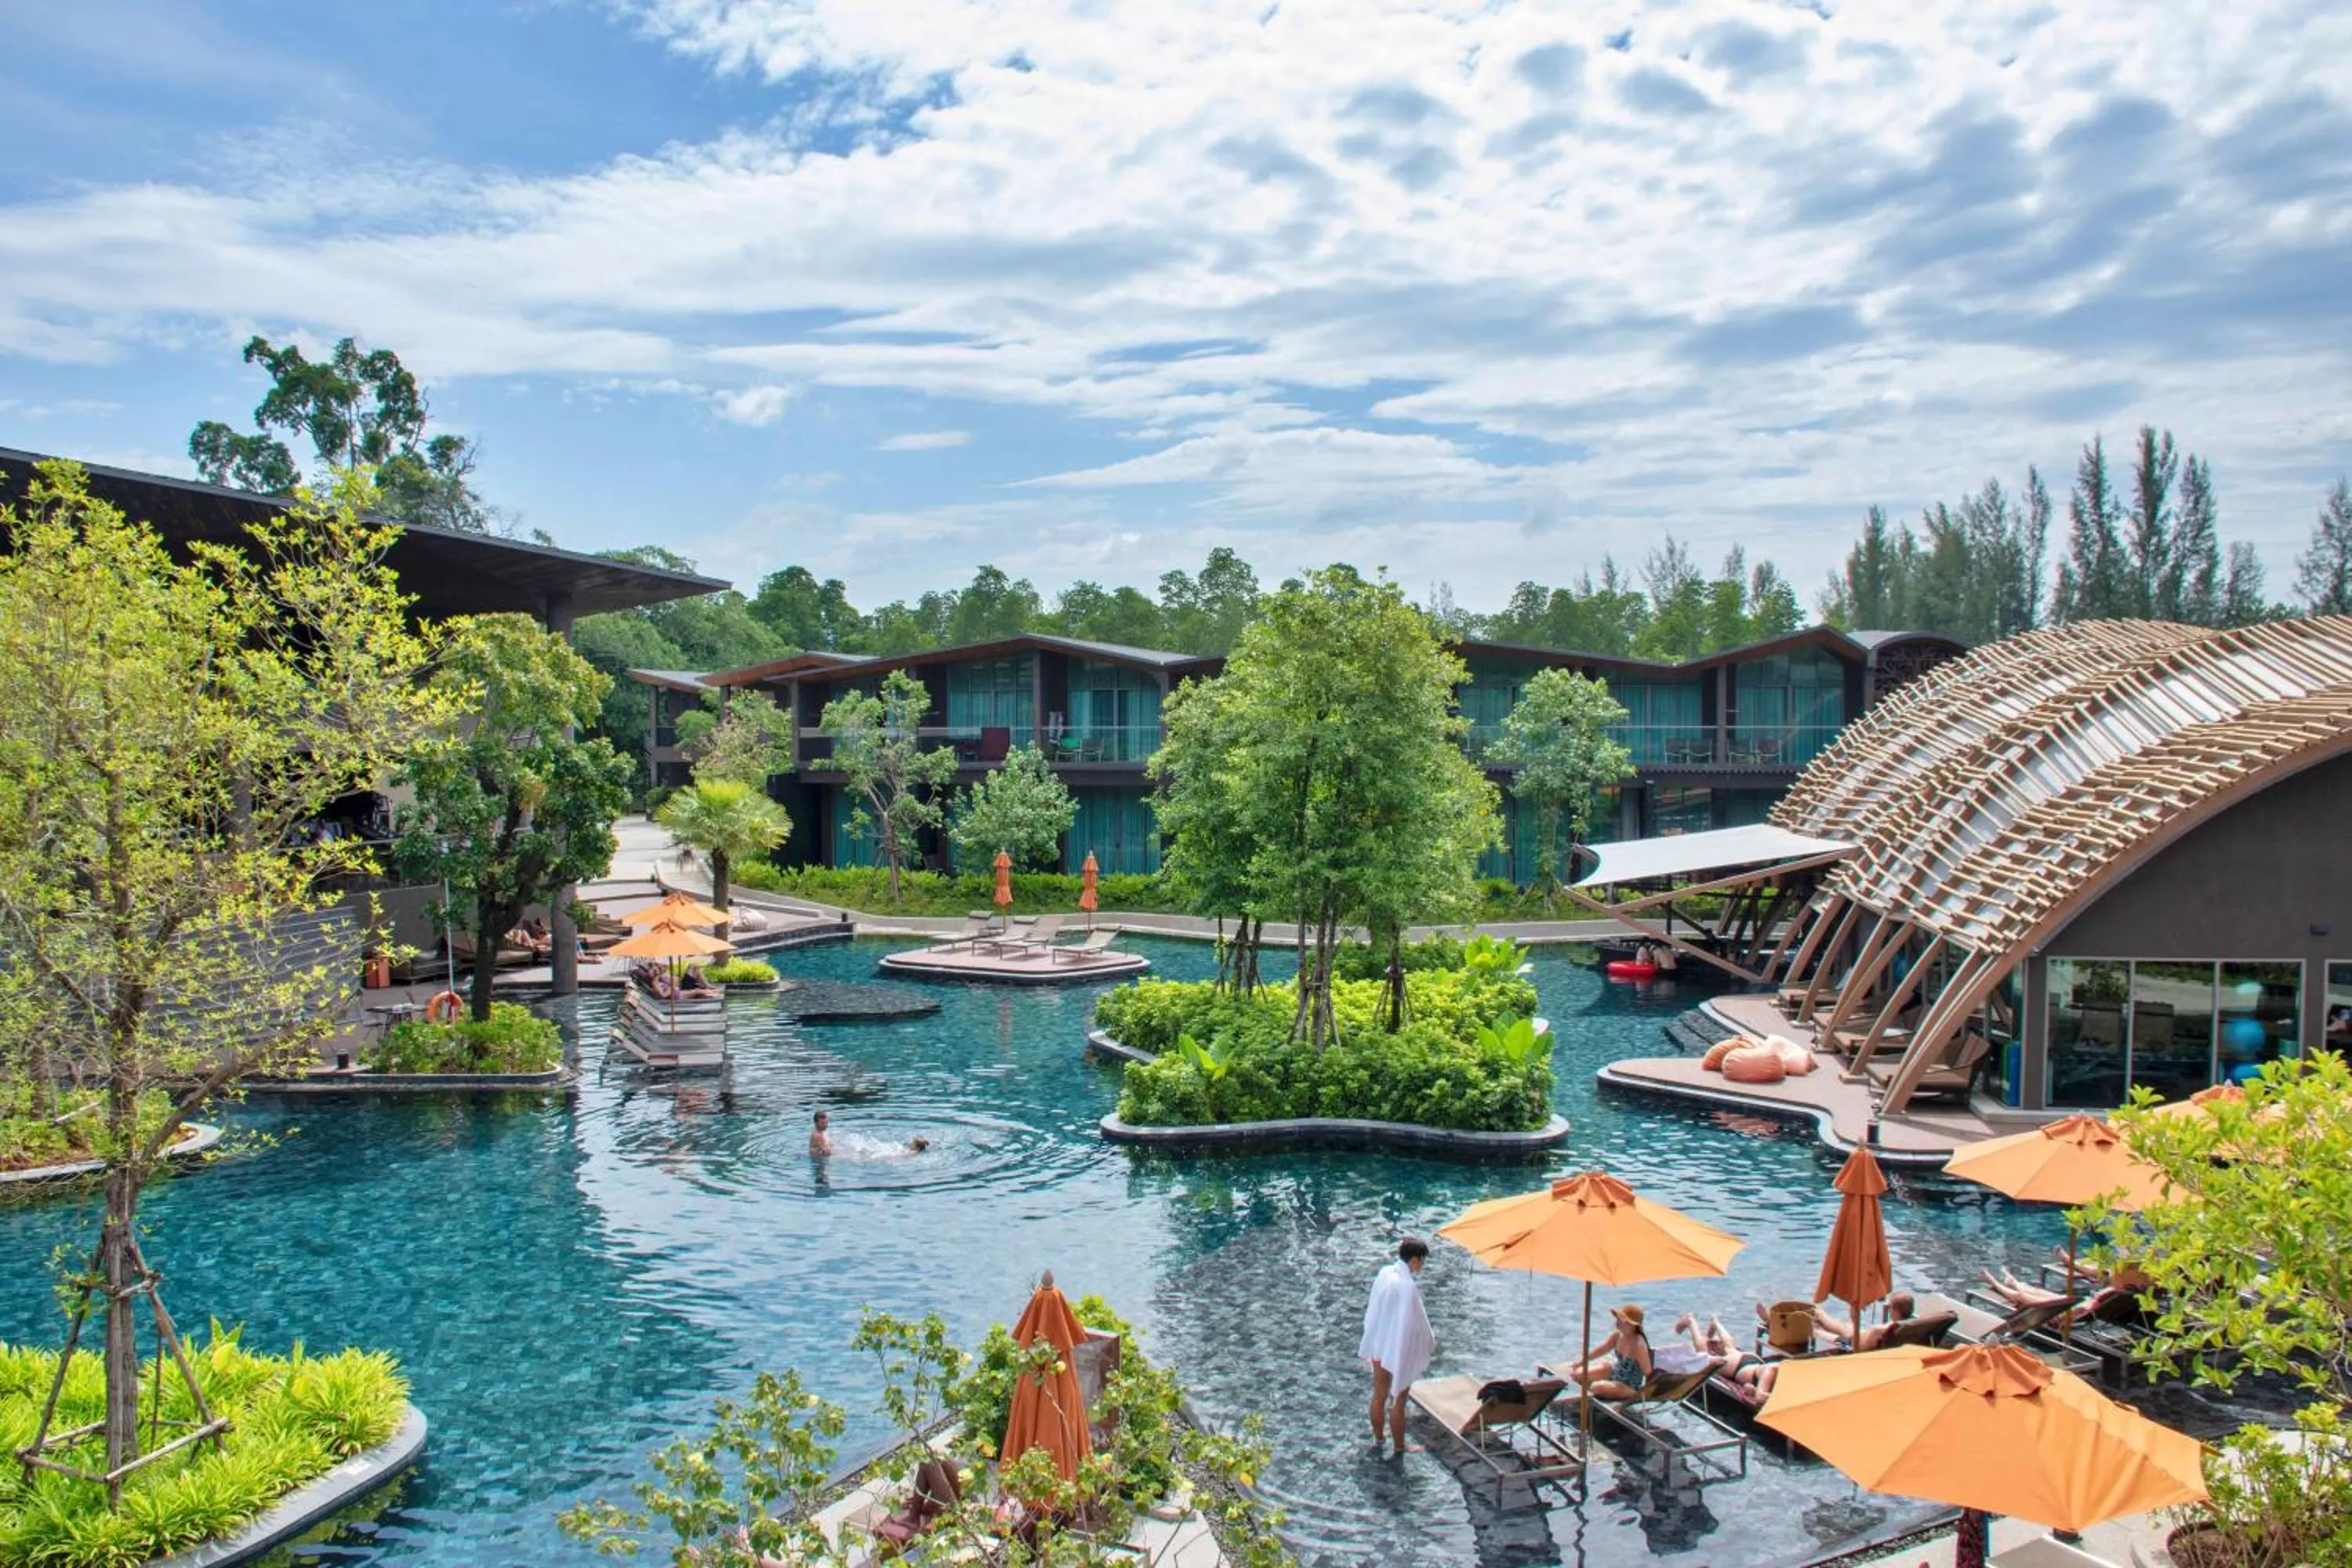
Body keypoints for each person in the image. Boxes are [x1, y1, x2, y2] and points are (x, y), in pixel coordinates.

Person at [1358, 1237, 1435, 1458]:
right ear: (1414, 1261)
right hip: (1397, 1348)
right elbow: (1416, 1323)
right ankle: (1400, 1446)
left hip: (1379, 1344)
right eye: (1422, 1262)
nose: (1422, 1267)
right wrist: (1429, 1342)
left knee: (1379, 1394)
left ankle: (1379, 1437)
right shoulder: (1407, 1286)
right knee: (1400, 1398)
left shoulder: (1385, 1274)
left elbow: (1375, 1309)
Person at [1671, 1312, 1779, 1399]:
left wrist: (1752, 1390)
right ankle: (1691, 1323)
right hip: (1738, 1367)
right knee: (1704, 1357)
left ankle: (1716, 1323)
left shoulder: (1780, 1373)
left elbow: (1756, 1390)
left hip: (1751, 1361)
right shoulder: (1770, 1371)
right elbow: (1760, 1397)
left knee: (1731, 1350)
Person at [1563, 1303, 1652, 1402]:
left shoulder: (1639, 1344)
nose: (1616, 1321)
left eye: (1620, 1319)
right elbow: (1601, 1350)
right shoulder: (1618, 1335)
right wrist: (1582, 1361)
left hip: (1628, 1385)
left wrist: (1644, 1396)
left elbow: (1648, 1372)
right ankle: (1588, 1398)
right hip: (1614, 1371)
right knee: (1578, 1374)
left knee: (1596, 1387)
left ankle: (1592, 1398)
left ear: (1630, 1323)